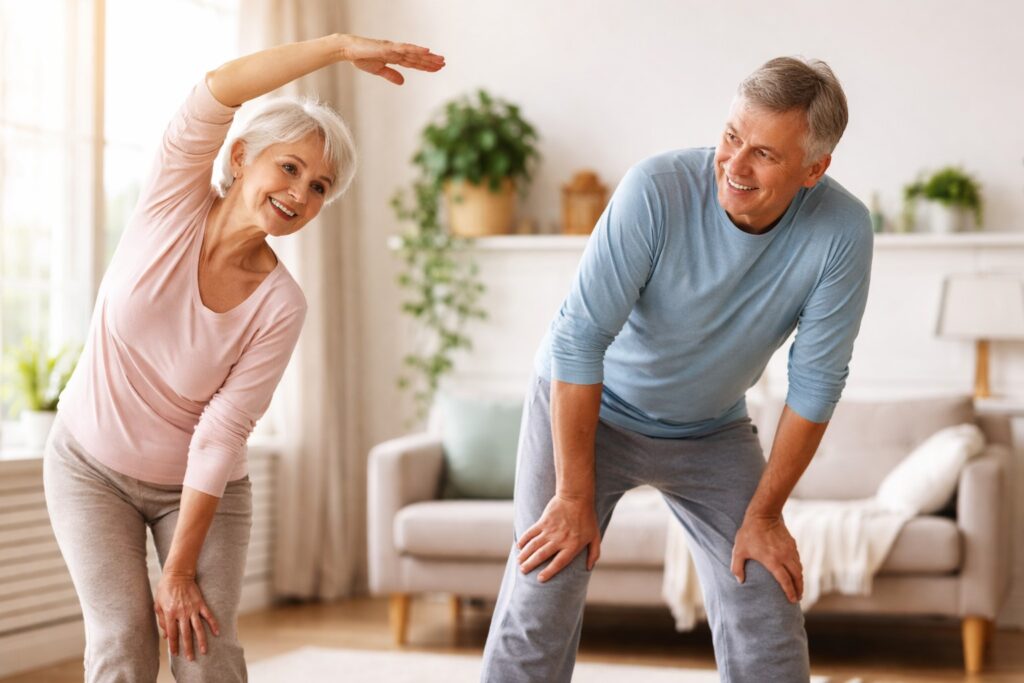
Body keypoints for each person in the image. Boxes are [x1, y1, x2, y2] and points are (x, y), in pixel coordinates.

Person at [44, 34, 444, 682]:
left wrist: (178, 571)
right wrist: (339, 48)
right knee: (122, 638)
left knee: (202, 644)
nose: (300, 193)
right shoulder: (171, 198)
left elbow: (220, 433)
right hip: (90, 469)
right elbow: (218, 88)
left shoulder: (282, 305)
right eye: (289, 167)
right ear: (240, 156)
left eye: (319, 187)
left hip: (201, 487)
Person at [481, 57, 872, 683]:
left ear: (814, 169)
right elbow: (578, 341)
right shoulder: (656, 189)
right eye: (731, 136)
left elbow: (817, 382)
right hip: (592, 409)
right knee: (543, 594)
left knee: (766, 602)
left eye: (765, 155)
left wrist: (765, 516)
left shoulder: (842, 230)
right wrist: (573, 496)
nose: (735, 166)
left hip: (709, 430)